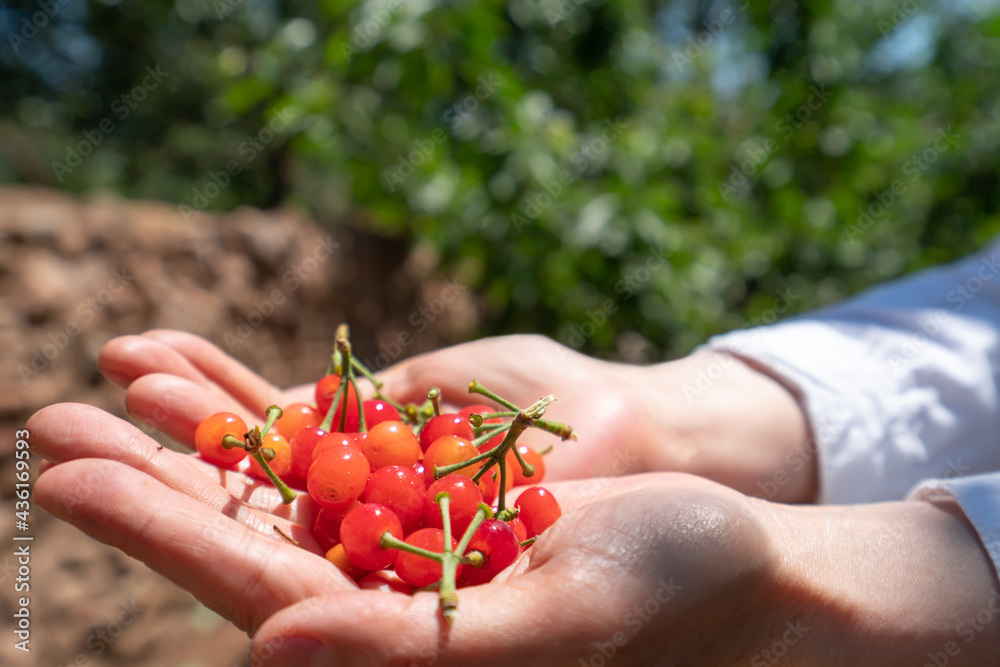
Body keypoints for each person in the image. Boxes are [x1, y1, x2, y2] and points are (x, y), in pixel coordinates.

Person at [27, 238, 1000, 666]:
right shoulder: (396, 473)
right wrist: (651, 409)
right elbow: (973, 330)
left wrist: (876, 582)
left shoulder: (472, 500)